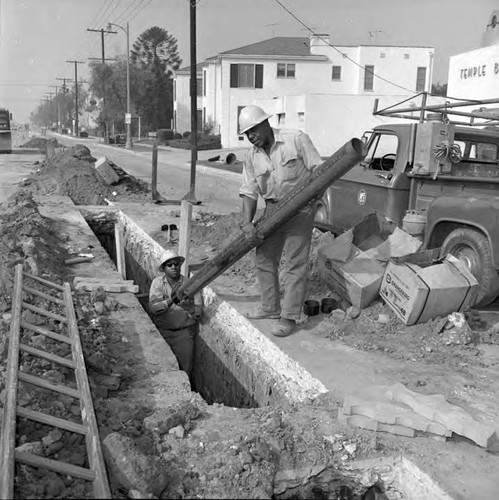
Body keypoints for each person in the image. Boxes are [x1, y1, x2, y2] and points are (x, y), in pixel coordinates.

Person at [238, 105, 323, 337]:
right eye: (247, 134)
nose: (251, 137)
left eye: (253, 131)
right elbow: (248, 191)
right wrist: (247, 222)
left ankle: (289, 317)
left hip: (300, 208)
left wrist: (314, 198)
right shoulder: (252, 157)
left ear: (265, 124)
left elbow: (320, 170)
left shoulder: (295, 139)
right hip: (273, 208)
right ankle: (270, 307)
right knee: (264, 257)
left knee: (295, 263)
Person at [149, 249, 203, 376]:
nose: (174, 267)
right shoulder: (158, 283)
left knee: (184, 371)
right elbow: (153, 308)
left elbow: (199, 312)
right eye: (169, 265)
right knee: (163, 371)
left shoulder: (190, 285)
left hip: (183, 335)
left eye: (176, 264)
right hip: (162, 332)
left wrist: (189, 308)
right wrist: (171, 301)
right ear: (164, 268)